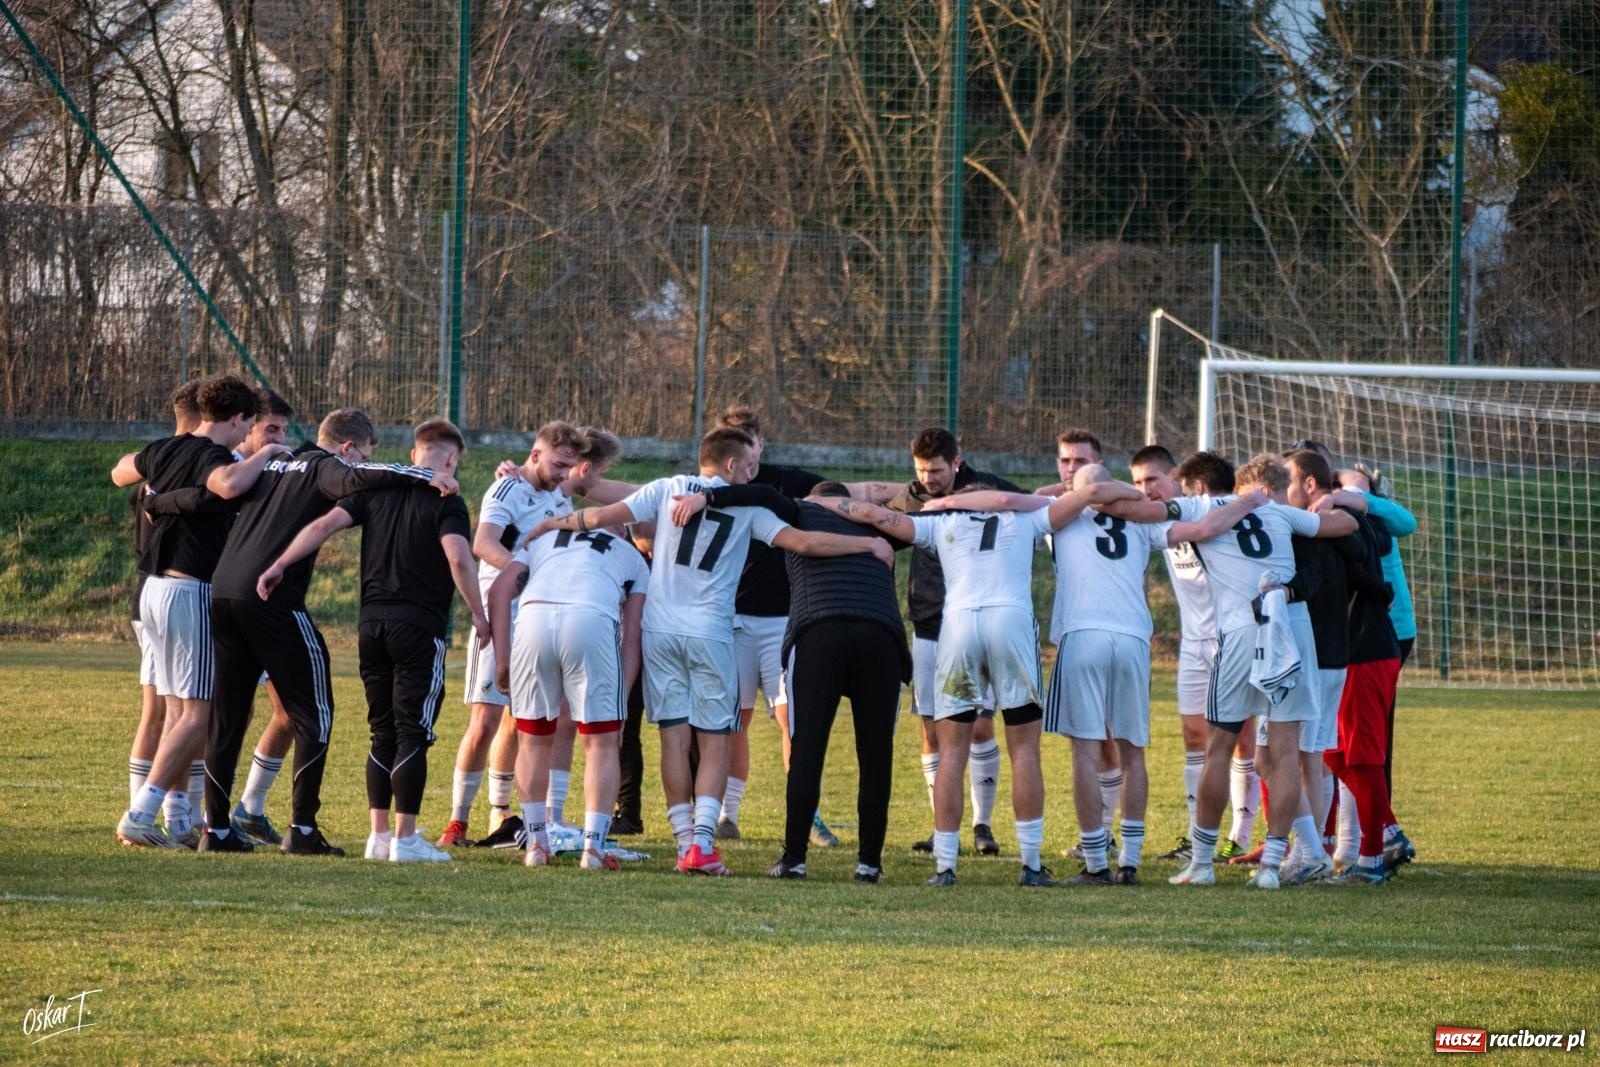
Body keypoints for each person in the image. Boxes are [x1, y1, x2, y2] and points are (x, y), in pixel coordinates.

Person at [529, 427, 891, 876]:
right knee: (716, 739)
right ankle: (702, 842)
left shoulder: (666, 488)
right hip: (710, 632)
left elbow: (601, 517)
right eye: (750, 467)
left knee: (673, 738)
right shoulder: (747, 506)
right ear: (735, 466)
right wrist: (866, 543)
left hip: (660, 630)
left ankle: (684, 842)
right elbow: (804, 542)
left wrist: (548, 523)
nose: (752, 474)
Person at [815, 473, 1136, 887]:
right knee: (1024, 750)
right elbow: (1092, 492)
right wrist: (1138, 494)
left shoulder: (939, 522)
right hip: (1012, 623)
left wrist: (817, 503)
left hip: (959, 627)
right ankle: (1031, 864)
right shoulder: (1025, 519)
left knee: (951, 751)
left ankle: (945, 866)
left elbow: (866, 511)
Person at [197, 406, 457, 855]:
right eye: (360, 456)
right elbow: (360, 479)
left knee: (229, 712)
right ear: (348, 448)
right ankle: (302, 830)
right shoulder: (324, 466)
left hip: (222, 590)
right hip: (270, 594)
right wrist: (419, 475)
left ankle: (215, 829)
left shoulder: (275, 462)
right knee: (314, 709)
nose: (357, 467)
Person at [257, 419, 488, 863]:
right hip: (418, 626)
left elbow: (324, 526)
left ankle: (378, 836)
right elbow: (458, 556)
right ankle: (405, 840)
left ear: (416, 452)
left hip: (371, 625)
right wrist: (479, 613)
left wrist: (280, 563)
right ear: (452, 458)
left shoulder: (376, 489)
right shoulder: (447, 498)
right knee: (412, 731)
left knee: (381, 730)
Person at [674, 479, 910, 883]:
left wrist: (705, 497)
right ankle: (869, 863)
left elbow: (760, 494)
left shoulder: (799, 510)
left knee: (806, 748)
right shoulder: (879, 526)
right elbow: (925, 515)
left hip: (820, 629)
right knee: (876, 755)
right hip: (881, 635)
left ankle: (795, 859)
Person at [1152, 454, 1357, 889]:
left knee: (1219, 750)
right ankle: (1271, 868)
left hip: (1242, 631)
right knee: (1284, 755)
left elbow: (1154, 513)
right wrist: (1322, 507)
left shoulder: (1207, 508)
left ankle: (1203, 863)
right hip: (1290, 634)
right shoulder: (1282, 513)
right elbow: (1347, 526)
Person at [110, 373, 291, 848]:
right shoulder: (213, 454)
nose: (247, 435)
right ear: (237, 419)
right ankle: (140, 813)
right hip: (189, 591)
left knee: (176, 711)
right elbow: (229, 484)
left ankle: (178, 817)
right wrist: (267, 455)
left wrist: (162, 496)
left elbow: (120, 471)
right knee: (202, 713)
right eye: (248, 426)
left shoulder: (167, 448)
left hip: (154, 588)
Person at [439, 422, 585, 849]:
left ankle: (510, 814)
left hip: (540, 619)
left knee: (536, 721)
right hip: (499, 615)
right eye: (559, 463)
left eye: (570, 466)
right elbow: (482, 543)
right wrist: (523, 571)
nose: (564, 473)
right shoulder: (506, 489)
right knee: (485, 721)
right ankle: (457, 821)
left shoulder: (557, 495)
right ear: (535, 454)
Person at [887, 427, 1024, 858]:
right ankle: (940, 824)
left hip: (976, 622)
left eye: (937, 470)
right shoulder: (912, 497)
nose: (929, 478)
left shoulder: (987, 490)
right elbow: (883, 521)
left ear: (956, 462)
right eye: (922, 470)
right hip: (929, 624)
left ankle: (982, 824)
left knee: (979, 724)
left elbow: (1024, 502)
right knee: (931, 728)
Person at [487, 513, 647, 871]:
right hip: (590, 619)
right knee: (601, 742)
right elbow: (633, 636)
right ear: (620, 528)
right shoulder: (632, 556)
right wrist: (620, 700)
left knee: (533, 739)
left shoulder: (541, 542)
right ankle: (593, 849)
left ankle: (537, 844)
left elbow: (499, 591)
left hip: (533, 620)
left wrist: (502, 658)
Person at [124, 380, 201, 827]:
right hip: (174, 589)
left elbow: (120, 474)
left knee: (162, 709)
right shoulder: (191, 462)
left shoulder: (155, 459)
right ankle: (158, 811)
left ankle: (162, 811)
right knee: (179, 710)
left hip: (147, 591)